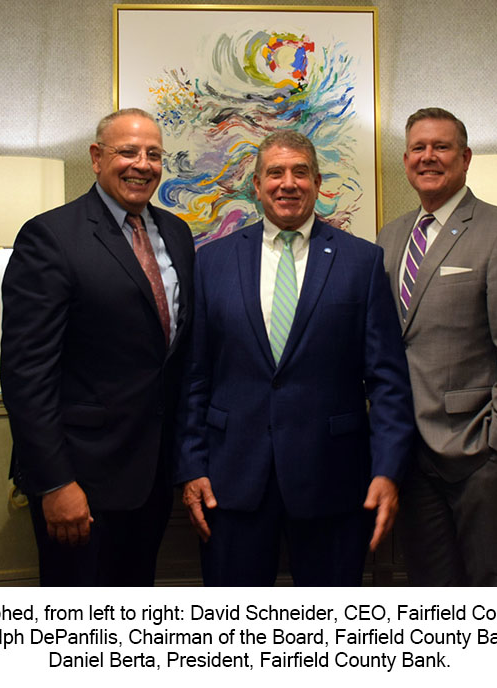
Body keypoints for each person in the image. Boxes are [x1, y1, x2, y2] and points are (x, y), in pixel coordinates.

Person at [173, 130, 414, 586]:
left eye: (300, 172)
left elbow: (387, 381)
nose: (288, 183)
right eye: (276, 173)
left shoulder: (361, 262)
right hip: (232, 480)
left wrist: (388, 469)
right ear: (257, 186)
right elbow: (194, 376)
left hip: (334, 481)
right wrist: (191, 466)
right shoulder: (213, 261)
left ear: (318, 183)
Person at [0, 108, 195, 586]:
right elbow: (27, 375)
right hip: (80, 480)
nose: (142, 164)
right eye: (128, 151)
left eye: (153, 154)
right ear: (96, 157)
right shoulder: (50, 237)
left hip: (151, 477)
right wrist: (55, 483)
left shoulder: (177, 233)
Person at [376, 107, 497, 586]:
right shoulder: (391, 237)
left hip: (478, 452)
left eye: (441, 146)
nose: (428, 157)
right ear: (406, 159)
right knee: (430, 590)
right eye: (418, 147)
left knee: (489, 589)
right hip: (410, 454)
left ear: (465, 157)